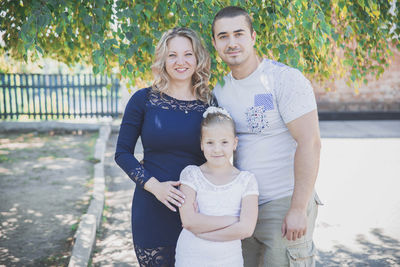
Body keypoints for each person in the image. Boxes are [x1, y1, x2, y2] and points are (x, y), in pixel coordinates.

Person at [211, 6, 323, 267]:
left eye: (238, 34)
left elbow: (311, 143)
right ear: (215, 43)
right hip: (242, 208)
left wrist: (297, 208)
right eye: (223, 36)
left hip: (283, 203)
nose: (232, 42)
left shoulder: (283, 80)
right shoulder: (221, 88)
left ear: (253, 37)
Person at [114, 27, 212, 267]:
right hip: (152, 208)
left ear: (198, 58)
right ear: (163, 59)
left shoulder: (210, 104)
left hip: (198, 209)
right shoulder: (143, 100)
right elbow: (122, 153)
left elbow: (220, 155)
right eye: (172, 55)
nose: (181, 62)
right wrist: (155, 187)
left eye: (188, 54)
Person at [175, 107, 259, 267]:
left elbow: (246, 229)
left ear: (234, 143)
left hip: (228, 259)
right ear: (201, 144)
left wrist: (202, 230)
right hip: (191, 256)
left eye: (224, 142)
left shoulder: (247, 181)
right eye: (210, 142)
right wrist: (234, 220)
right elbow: (189, 221)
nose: (217, 149)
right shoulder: (191, 175)